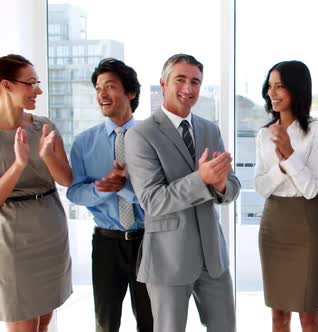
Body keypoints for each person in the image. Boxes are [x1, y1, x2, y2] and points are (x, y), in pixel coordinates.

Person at [124, 54, 240, 332]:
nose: (189, 88)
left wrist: (221, 185)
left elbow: (232, 186)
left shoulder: (210, 129)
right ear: (163, 84)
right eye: (181, 80)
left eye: (195, 82)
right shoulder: (141, 135)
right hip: (168, 259)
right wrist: (202, 178)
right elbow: (153, 200)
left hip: (213, 257)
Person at [66, 58, 153, 332]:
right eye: (98, 87)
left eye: (110, 86)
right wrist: (102, 188)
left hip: (149, 242)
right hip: (106, 244)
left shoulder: (153, 139)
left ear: (131, 93)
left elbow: (162, 197)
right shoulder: (83, 142)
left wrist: (125, 188)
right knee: (106, 323)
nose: (102, 94)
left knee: (151, 321)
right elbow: (75, 193)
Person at [0, 54, 72, 332]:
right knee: (23, 321)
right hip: (13, 241)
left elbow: (66, 179)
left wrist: (47, 156)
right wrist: (19, 164)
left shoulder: (44, 126)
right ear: (6, 85)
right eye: (31, 84)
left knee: (44, 320)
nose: (38, 91)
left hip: (51, 233)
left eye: (38, 83)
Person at [255, 60, 318, 332]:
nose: (272, 93)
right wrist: (284, 166)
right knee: (278, 316)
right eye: (270, 86)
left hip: (307, 226)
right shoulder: (263, 134)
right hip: (273, 225)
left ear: (297, 89)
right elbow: (262, 187)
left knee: (308, 316)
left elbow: (311, 188)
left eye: (280, 86)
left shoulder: (317, 130)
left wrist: (289, 153)